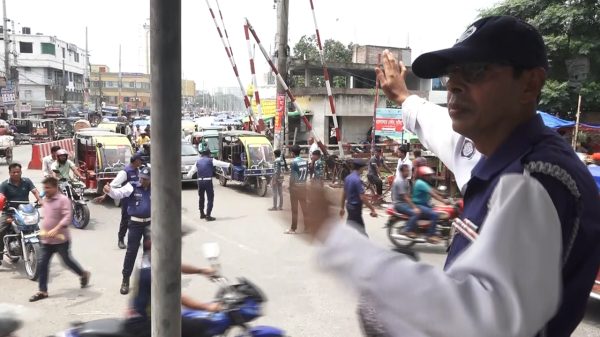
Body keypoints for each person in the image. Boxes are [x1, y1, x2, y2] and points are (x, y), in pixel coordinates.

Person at [305, 15, 600, 336]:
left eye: (476, 70)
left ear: (529, 83)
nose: (453, 84)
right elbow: (439, 128)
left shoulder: (535, 180)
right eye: (451, 73)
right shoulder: (496, 150)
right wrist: (403, 97)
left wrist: (338, 242)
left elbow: (478, 319)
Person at [124, 232, 220, 337]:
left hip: (146, 315)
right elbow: (177, 297)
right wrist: (207, 307)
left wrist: (201, 270)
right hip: (145, 324)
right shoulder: (152, 274)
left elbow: (176, 265)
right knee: (200, 326)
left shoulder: (150, 258)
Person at [29, 177, 90, 302]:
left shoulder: (63, 200)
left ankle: (83, 274)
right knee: (42, 264)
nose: (45, 190)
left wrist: (56, 229)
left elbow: (67, 217)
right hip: (47, 240)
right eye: (44, 188)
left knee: (67, 262)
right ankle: (43, 291)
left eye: (48, 188)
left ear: (55, 187)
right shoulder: (46, 199)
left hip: (61, 240)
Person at [104, 166, 151, 295]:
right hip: (135, 224)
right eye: (141, 178)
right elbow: (118, 193)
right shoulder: (132, 186)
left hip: (150, 224)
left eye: (146, 179)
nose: (142, 181)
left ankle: (146, 280)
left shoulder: (155, 188)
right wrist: (109, 191)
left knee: (149, 254)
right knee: (131, 252)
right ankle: (125, 279)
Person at [93, 154, 143, 249]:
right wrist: (104, 196)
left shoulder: (137, 170)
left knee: (135, 220)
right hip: (127, 200)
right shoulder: (125, 172)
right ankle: (121, 240)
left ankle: (134, 239)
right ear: (135, 160)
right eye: (140, 160)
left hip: (136, 199)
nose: (141, 162)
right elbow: (113, 184)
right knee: (125, 220)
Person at [0, 163, 43, 264]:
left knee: (37, 230)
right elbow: (1, 196)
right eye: (13, 172)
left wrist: (40, 200)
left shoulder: (26, 181)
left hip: (25, 211)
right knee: (0, 230)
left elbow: (35, 191)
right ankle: (0, 254)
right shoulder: (5, 184)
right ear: (9, 173)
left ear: (21, 172)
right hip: (10, 212)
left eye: (18, 172)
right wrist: (3, 203)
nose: (16, 174)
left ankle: (40, 252)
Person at [404, 166, 448, 243]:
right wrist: (444, 201)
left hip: (424, 204)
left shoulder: (423, 183)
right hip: (419, 205)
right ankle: (430, 235)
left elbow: (433, 190)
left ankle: (434, 229)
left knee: (438, 210)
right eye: (428, 175)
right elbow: (433, 194)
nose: (430, 177)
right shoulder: (421, 183)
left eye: (430, 175)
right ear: (423, 176)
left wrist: (443, 195)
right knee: (435, 215)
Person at [339, 159, 377, 235]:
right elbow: (362, 197)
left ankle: (343, 242)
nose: (364, 169)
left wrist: (342, 207)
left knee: (350, 228)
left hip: (349, 206)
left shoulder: (348, 178)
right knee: (361, 232)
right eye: (364, 168)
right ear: (361, 168)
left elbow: (344, 194)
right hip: (355, 208)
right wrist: (372, 209)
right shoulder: (357, 180)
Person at [285, 145, 308, 234]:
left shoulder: (294, 162)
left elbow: (293, 177)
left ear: (292, 153)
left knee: (294, 209)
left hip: (295, 188)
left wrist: (290, 187)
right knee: (304, 208)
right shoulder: (305, 161)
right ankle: (307, 227)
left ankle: (293, 228)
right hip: (303, 186)